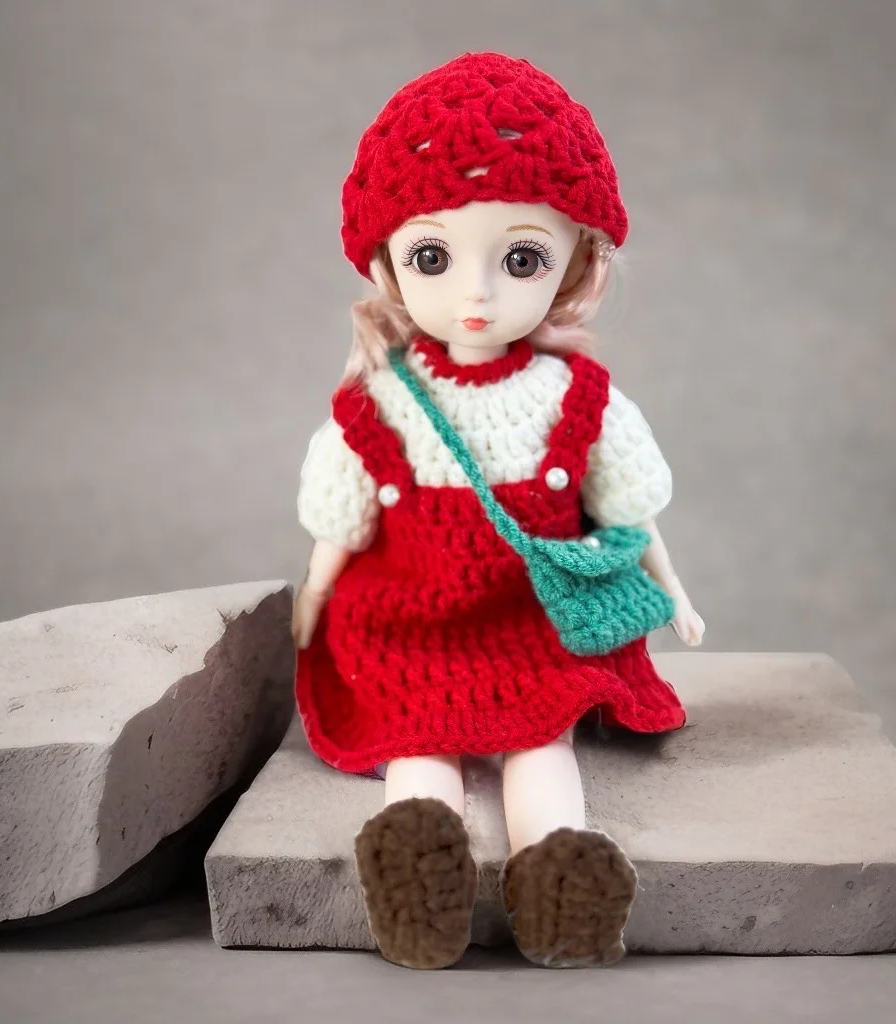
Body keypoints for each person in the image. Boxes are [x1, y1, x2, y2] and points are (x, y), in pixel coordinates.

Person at [292, 51, 705, 971]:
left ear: (575, 263)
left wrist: (670, 588)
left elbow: (629, 514)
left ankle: (562, 876)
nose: (475, 293)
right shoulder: (382, 402)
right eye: (432, 257)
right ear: (388, 263)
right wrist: (316, 595)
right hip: (409, 620)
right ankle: (415, 869)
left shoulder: (575, 398)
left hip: (531, 622)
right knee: (423, 737)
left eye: (521, 258)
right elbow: (339, 518)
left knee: (538, 735)